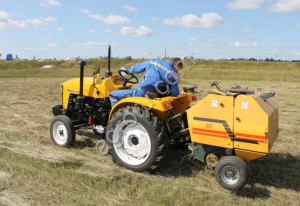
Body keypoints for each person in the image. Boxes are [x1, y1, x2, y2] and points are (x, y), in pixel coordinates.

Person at [109, 58, 183, 107]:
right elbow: (175, 92)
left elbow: (137, 68)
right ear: (175, 64)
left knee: (112, 94)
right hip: (154, 96)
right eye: (178, 69)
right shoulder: (174, 75)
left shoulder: (154, 61)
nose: (177, 71)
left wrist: (128, 71)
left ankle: (114, 119)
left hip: (141, 93)